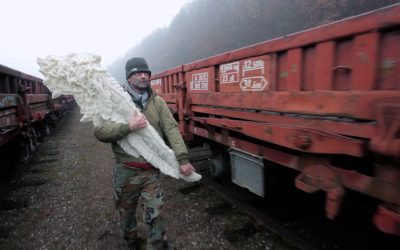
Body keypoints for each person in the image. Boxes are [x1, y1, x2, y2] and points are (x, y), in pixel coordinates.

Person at [94, 57, 195, 250]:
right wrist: (128, 127)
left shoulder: (157, 102)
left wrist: (182, 158)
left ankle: (156, 244)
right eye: (137, 72)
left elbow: (172, 130)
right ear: (128, 77)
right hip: (126, 172)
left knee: (155, 213)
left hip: (151, 172)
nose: (143, 75)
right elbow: (100, 132)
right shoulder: (114, 101)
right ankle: (132, 243)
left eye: (146, 72)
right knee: (126, 213)